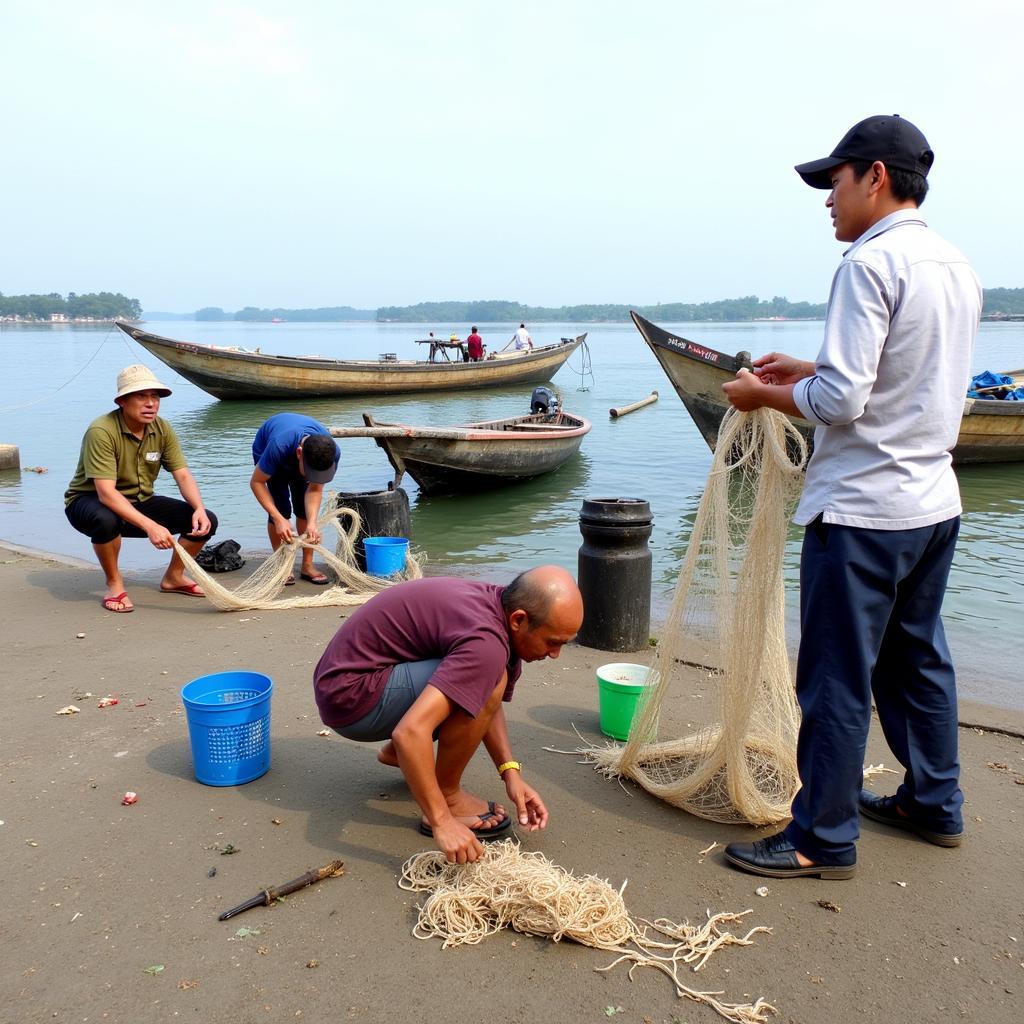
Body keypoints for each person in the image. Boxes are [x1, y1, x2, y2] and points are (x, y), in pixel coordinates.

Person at [720, 115, 981, 880]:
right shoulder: (952, 262)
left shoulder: (868, 265)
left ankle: (819, 838)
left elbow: (839, 401)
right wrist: (808, 366)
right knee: (918, 659)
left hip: (863, 510)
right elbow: (908, 371)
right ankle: (935, 802)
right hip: (933, 503)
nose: (827, 199)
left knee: (836, 676)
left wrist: (761, 397)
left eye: (833, 182)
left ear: (874, 176)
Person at [313, 566, 584, 863]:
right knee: (486, 676)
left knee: (484, 677)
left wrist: (511, 773)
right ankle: (447, 795)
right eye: (553, 642)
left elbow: (485, 703)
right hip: (350, 697)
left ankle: (400, 756)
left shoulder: (498, 610)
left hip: (351, 680)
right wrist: (441, 821)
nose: (556, 654)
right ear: (519, 619)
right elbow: (410, 731)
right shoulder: (488, 643)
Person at [64, 364, 218, 613]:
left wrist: (198, 508)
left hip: (139, 499)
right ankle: (114, 584)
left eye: (155, 397)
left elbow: (182, 474)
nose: (151, 404)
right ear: (122, 401)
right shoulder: (101, 430)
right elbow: (106, 493)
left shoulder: (162, 428)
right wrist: (150, 526)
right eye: (141, 396)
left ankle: (174, 578)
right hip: (89, 501)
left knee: (204, 520)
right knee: (106, 520)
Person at [250, 413, 341, 585]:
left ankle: (307, 565)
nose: (311, 477)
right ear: (299, 453)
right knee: (281, 509)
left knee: (303, 510)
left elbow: (315, 489)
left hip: (302, 455)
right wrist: (278, 519)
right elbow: (256, 482)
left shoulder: (332, 453)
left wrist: (313, 523)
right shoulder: (278, 446)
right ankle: (282, 565)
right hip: (268, 447)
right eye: (309, 472)